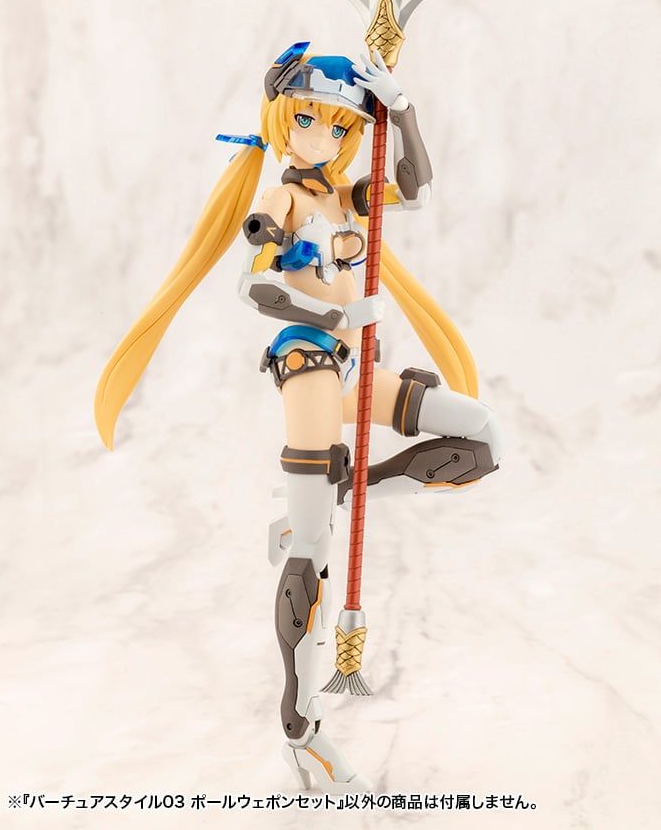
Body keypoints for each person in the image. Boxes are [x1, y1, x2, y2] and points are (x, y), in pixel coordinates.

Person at [94, 42, 503, 794]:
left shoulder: (346, 197)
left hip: (349, 366)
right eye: (309, 119)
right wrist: (333, 313)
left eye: (340, 126)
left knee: (479, 440)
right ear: (284, 118)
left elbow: (415, 189)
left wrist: (403, 111)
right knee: (314, 549)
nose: (323, 135)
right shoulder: (281, 202)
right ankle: (300, 727)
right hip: (308, 362)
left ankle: (327, 496)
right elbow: (254, 289)